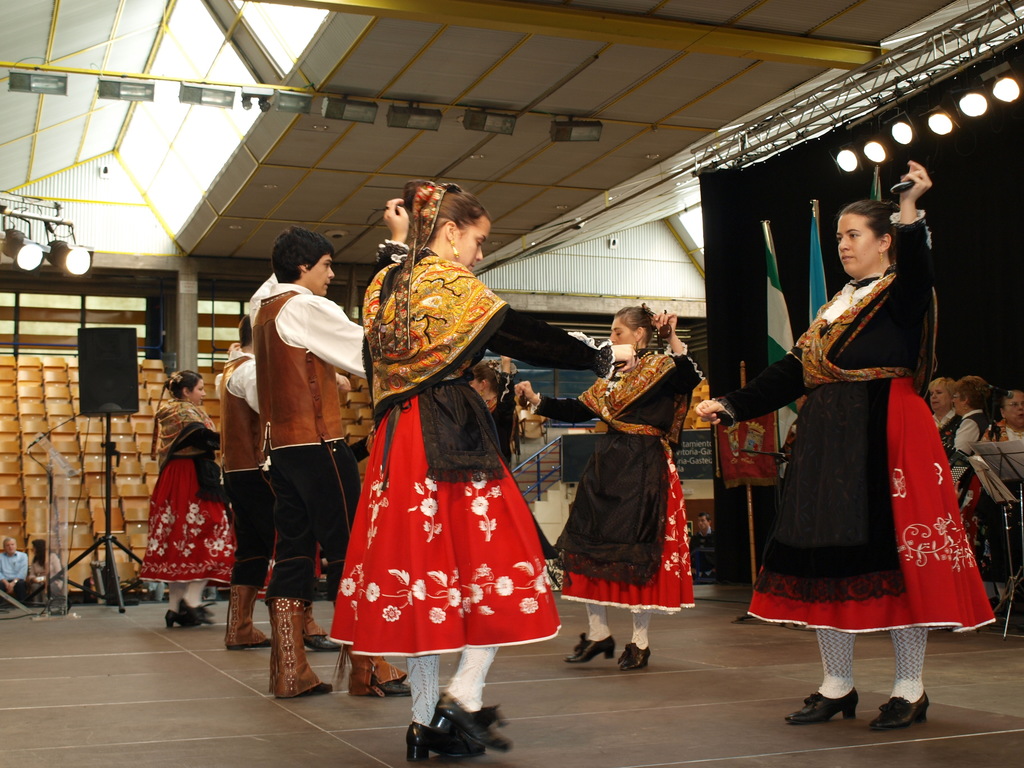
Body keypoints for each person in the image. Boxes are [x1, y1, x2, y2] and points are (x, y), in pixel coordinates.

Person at [329, 181, 634, 761]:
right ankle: (463, 695)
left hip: (400, 441)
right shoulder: (446, 282)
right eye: (478, 240)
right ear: (449, 233)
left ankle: (423, 724)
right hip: (448, 430)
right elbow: (515, 330)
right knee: (501, 560)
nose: (479, 254)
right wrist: (596, 355)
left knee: (421, 581)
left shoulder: (384, 286)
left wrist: (397, 246)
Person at [695, 161, 994, 730]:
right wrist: (731, 404)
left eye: (853, 234)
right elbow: (792, 370)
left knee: (895, 561)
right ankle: (837, 685)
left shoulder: (901, 293)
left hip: (886, 432)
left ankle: (911, 688)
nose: (842, 245)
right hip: (829, 442)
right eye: (838, 236)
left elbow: (918, 275)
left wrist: (910, 212)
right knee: (822, 560)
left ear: (886, 242)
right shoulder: (836, 307)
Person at [251, 227, 408, 699]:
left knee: (295, 555)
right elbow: (369, 351)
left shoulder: (263, 311)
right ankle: (367, 665)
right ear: (304, 267)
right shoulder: (303, 306)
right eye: (326, 265)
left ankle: (289, 669)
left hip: (282, 449)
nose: (331, 275)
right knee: (349, 552)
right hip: (319, 445)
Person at [516, 305, 701, 671]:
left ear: (639, 335)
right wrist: (538, 400)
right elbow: (579, 408)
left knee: (635, 552)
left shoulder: (661, 369)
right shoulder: (613, 378)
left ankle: (640, 642)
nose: (611, 339)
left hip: (644, 465)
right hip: (608, 464)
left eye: (618, 332)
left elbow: (688, 378)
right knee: (587, 544)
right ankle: (598, 634)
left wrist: (673, 340)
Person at [220, 315, 341, 654]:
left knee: (252, 548)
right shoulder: (249, 370)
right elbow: (274, 407)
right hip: (259, 468)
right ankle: (303, 624)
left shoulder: (230, 369)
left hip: (236, 469)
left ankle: (240, 627)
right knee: (296, 541)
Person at [140, 371, 235, 627]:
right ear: (186, 391)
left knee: (179, 538)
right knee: (211, 531)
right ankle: (192, 601)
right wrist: (237, 436)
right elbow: (201, 438)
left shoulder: (171, 411)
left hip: (176, 478)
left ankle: (174, 608)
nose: (203, 394)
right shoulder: (184, 412)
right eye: (200, 389)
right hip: (191, 477)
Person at [469, 357, 518, 465]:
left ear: (483, 384)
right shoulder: (476, 406)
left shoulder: (500, 409)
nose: (469, 387)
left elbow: (506, 397)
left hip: (496, 465)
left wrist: (506, 364)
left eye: (471, 383)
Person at [951, 375, 991, 455]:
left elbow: (960, 454)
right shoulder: (982, 418)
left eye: (955, 396)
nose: (953, 400)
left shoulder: (970, 423)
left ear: (965, 400)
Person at [927, 377, 959, 456]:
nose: (933, 397)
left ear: (952, 397)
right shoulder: (925, 422)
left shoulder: (960, 420)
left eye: (939, 392)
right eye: (931, 394)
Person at [27, 538, 63, 604]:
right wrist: (33, 578)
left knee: (47, 586)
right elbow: (31, 574)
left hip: (53, 581)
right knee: (35, 586)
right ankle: (37, 605)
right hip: (39, 582)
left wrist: (47, 579)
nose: (32, 550)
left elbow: (59, 573)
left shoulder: (53, 557)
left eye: (34, 548)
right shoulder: (35, 560)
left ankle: (46, 605)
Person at [1, 536, 28, 603]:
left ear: (16, 546)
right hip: (4, 580)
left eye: (12, 544)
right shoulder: (0, 557)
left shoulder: (23, 556)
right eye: (7, 545)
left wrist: (13, 583)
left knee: (20, 584)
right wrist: (6, 583)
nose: (10, 547)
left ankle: (23, 605)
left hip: (17, 580)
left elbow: (22, 572)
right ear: (4, 547)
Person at [691, 511, 716, 580]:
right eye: (698, 521)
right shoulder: (694, 538)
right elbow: (690, 553)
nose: (700, 523)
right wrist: (691, 567)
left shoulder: (716, 536)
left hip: (712, 571)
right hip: (697, 572)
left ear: (709, 522)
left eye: (702, 520)